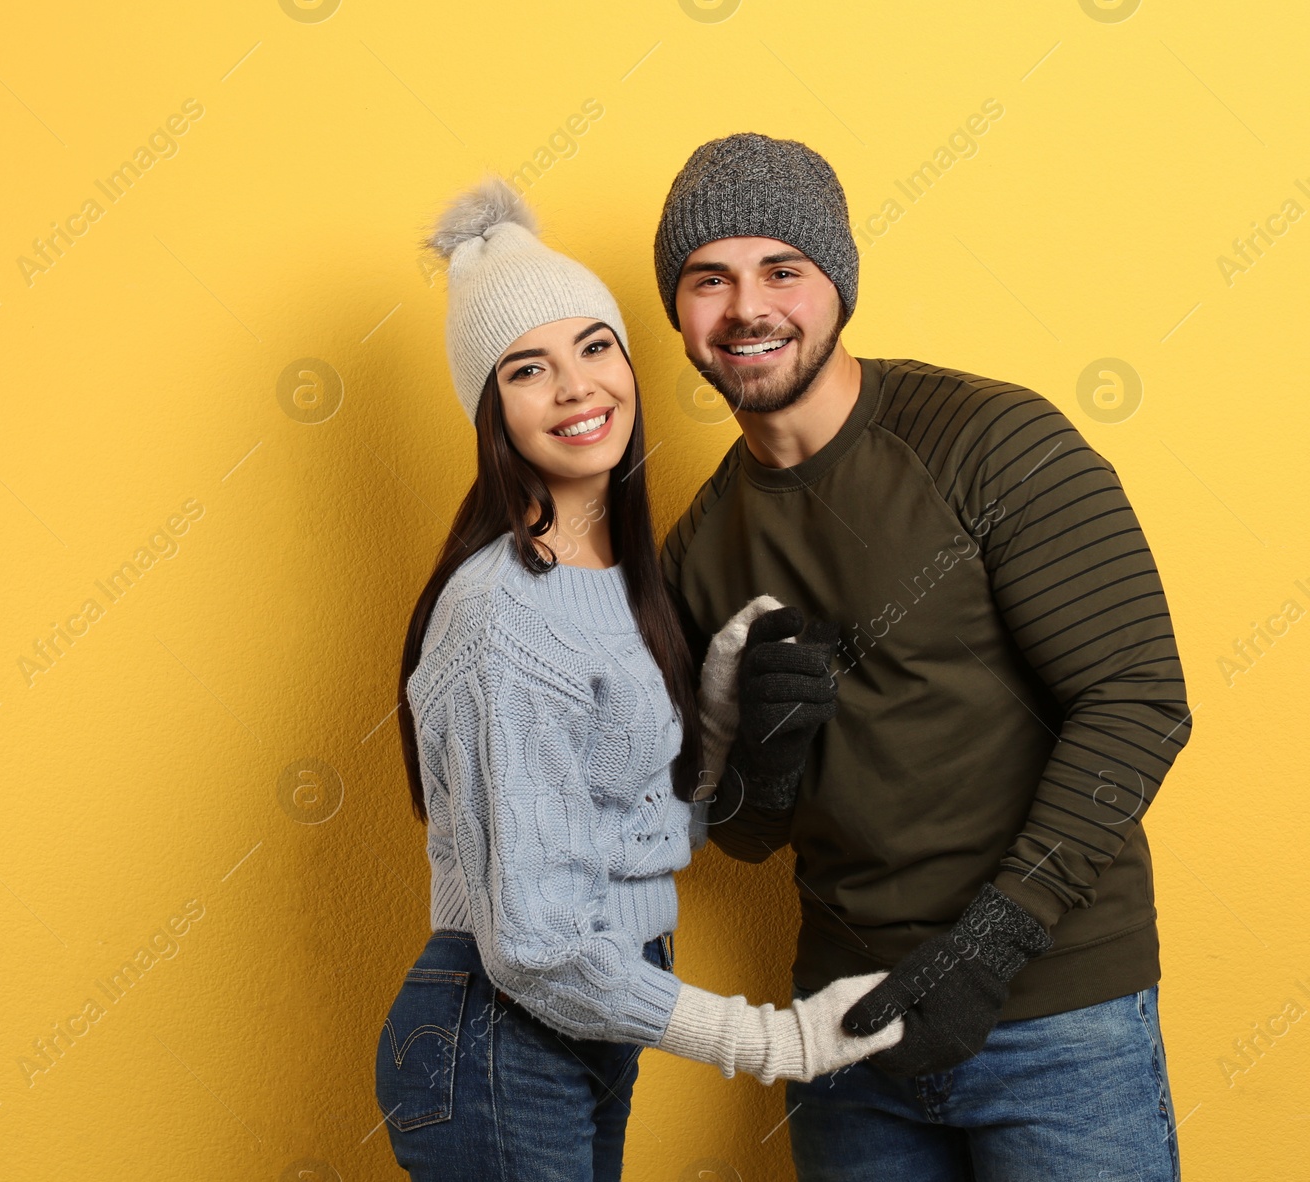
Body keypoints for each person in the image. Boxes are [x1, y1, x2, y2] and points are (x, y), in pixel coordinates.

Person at [652, 133, 1193, 1180]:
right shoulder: (697, 546)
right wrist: (761, 764)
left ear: (837, 286)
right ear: (678, 315)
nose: (746, 309)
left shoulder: (988, 442)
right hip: (845, 1033)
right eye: (707, 279)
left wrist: (994, 943)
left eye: (782, 271)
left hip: (1056, 1019)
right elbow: (742, 835)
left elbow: (1135, 701)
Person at [375, 175, 902, 1182]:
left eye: (595, 346)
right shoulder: (500, 615)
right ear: (488, 410)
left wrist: (709, 710)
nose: (577, 388)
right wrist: (768, 1042)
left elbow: (627, 834)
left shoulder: (622, 584)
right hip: (502, 1032)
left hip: (583, 1020)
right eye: (527, 369)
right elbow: (533, 945)